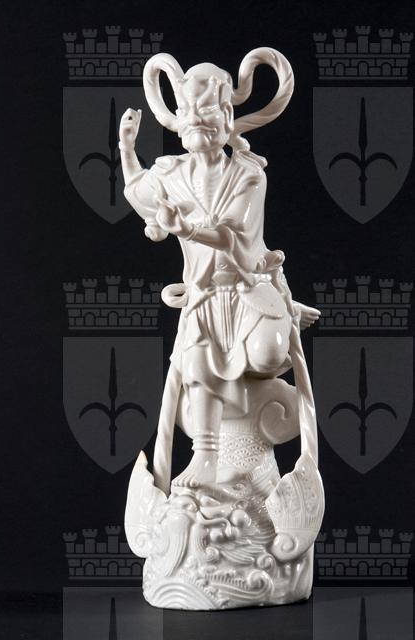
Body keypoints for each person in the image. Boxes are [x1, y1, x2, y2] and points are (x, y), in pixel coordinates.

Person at [119, 59, 319, 490]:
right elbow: (139, 194)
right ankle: (205, 456)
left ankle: (282, 324)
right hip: (204, 295)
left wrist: (186, 228)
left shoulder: (248, 174)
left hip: (249, 287)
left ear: (227, 118)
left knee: (267, 355)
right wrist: (127, 151)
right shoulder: (170, 173)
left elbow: (234, 236)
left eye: (208, 112)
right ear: (180, 121)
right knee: (198, 363)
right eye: (190, 113)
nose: (198, 122)